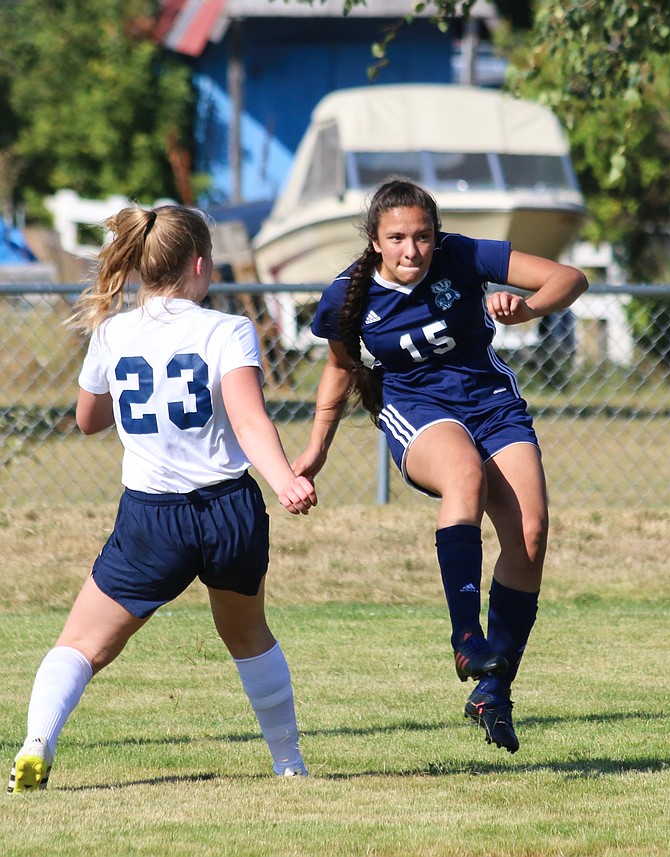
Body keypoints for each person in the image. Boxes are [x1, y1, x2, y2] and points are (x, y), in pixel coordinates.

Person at [8, 205, 318, 793]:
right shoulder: (227, 329)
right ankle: (288, 763)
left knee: (80, 646)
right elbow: (251, 423)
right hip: (229, 511)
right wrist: (283, 481)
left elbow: (87, 419)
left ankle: (37, 741)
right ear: (200, 264)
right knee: (249, 636)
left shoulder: (112, 331)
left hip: (152, 519)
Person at [293, 178, 588, 753]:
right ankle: (466, 637)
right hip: (416, 408)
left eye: (423, 236)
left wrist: (525, 308)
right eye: (398, 238)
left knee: (530, 534)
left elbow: (569, 279)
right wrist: (316, 448)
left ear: (437, 234)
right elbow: (340, 368)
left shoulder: (464, 255)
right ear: (375, 242)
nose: (412, 250)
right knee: (464, 477)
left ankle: (493, 692)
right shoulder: (348, 295)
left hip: (491, 404)